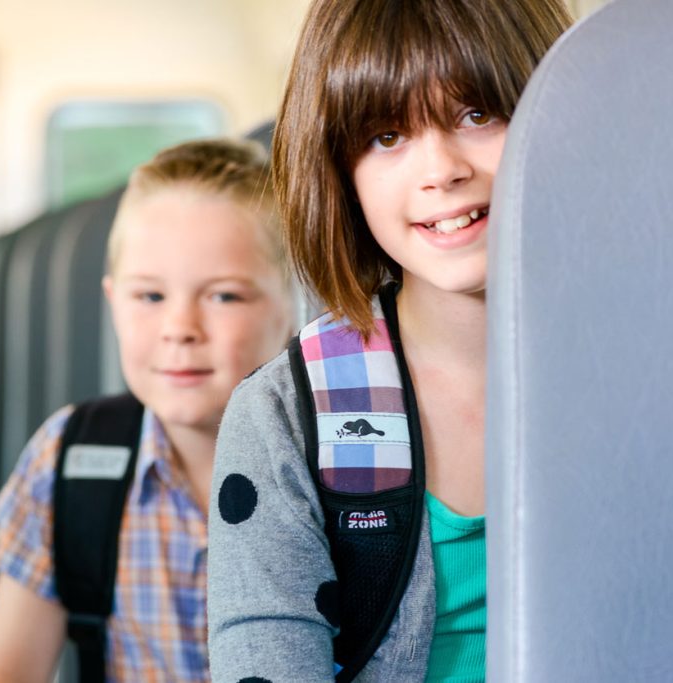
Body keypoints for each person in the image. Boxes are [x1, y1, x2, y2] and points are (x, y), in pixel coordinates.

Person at [207, 1, 573, 681]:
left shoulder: (651, 374)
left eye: (477, 113)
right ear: (341, 175)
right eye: (387, 135)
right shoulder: (285, 416)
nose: (440, 169)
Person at [0, 138, 293, 683]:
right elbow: (5, 674)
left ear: (293, 303)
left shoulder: (344, 467)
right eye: (150, 297)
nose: (180, 328)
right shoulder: (68, 458)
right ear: (113, 301)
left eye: (224, 296)